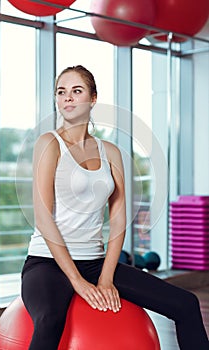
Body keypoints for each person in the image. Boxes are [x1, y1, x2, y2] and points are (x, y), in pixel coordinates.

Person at [21, 65, 209, 350]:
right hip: (47, 263)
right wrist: (78, 282)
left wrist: (106, 277)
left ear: (93, 98)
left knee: (186, 304)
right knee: (50, 319)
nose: (68, 98)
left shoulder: (110, 152)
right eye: (61, 92)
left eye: (76, 91)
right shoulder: (49, 144)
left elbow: (118, 218)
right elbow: (44, 218)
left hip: (95, 262)